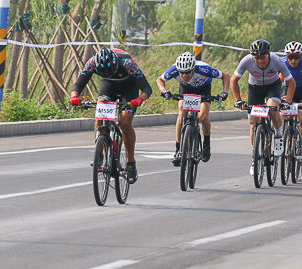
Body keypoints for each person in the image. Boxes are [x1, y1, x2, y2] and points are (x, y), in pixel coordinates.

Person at [70, 47, 152, 183]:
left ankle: (130, 163)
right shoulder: (91, 63)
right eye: (104, 72)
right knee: (101, 109)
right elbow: (78, 85)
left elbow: (146, 88)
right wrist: (74, 97)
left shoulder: (127, 63)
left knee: (125, 123)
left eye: (111, 70)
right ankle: (99, 154)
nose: (108, 73)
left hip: (129, 86)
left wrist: (139, 99)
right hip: (109, 85)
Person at [232, 39, 296, 171]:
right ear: (252, 57)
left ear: (268, 55)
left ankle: (278, 136)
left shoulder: (277, 61)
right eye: (257, 57)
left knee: (272, 108)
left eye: (263, 57)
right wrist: (238, 99)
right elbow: (234, 80)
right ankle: (254, 156)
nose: (260, 60)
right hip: (255, 88)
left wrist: (287, 102)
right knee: (253, 123)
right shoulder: (246, 60)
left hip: (272, 87)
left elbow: (292, 83)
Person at [157, 51, 229, 165]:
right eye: (181, 73)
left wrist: (224, 93)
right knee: (181, 114)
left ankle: (206, 144)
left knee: (203, 116)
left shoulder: (204, 69)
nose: (184, 75)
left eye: (187, 72)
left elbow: (225, 76)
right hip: (186, 88)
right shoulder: (174, 69)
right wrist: (164, 90)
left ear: (193, 68)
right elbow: (159, 80)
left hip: (203, 88)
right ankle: (178, 149)